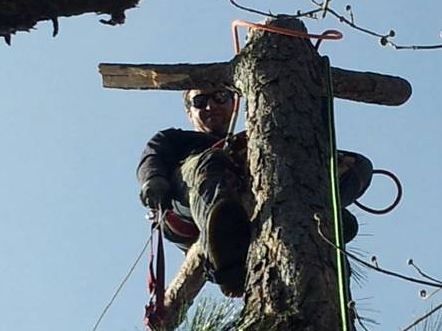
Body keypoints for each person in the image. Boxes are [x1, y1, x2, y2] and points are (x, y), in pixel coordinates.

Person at [137, 87, 372, 298]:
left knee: (356, 164)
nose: (210, 106)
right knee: (211, 160)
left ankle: (314, 206)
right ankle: (225, 256)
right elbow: (153, 155)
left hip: (245, 198)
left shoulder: (252, 144)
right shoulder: (178, 139)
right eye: (199, 101)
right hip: (188, 200)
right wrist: (154, 181)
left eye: (220, 97)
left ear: (234, 102)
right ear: (189, 113)